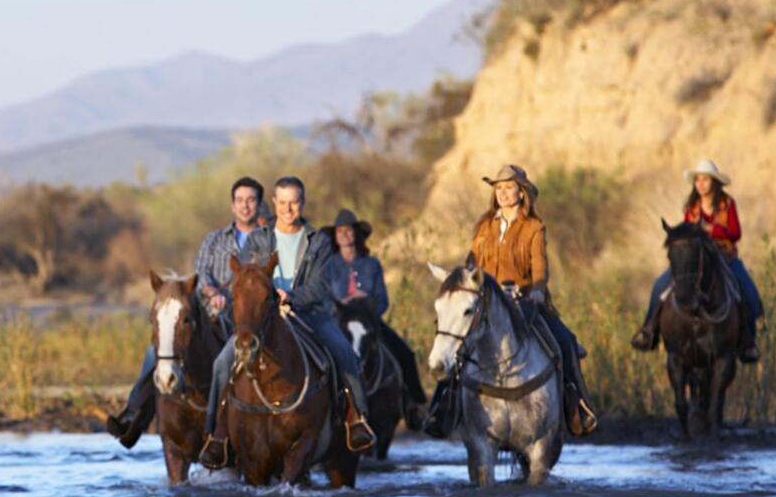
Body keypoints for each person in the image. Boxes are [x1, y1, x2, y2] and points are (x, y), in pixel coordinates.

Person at [198, 176, 376, 469]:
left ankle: (356, 419)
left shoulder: (318, 241)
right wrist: (266, 296)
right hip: (263, 317)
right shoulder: (258, 239)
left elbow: (321, 285)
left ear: (302, 203)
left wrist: (292, 296)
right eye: (283, 202)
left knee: (344, 351)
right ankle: (215, 434)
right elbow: (245, 276)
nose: (288, 208)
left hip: (308, 313)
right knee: (222, 363)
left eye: (294, 202)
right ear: (275, 204)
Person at [433, 164, 597, 437]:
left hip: (524, 301)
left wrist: (535, 289)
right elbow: (472, 264)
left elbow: (541, 268)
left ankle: (578, 406)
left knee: (564, 343)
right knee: (455, 342)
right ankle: (442, 409)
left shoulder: (534, 227)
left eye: (509, 187)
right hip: (486, 303)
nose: (503, 193)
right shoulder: (483, 226)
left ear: (522, 193)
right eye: (499, 188)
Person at [106, 177, 264, 448]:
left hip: (244, 318)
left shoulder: (267, 241)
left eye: (250, 200)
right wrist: (212, 292)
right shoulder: (214, 240)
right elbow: (200, 276)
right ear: (232, 205)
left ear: (259, 204)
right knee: (155, 353)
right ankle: (134, 415)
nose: (245, 206)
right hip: (207, 314)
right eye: (240, 200)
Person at [631, 159, 763, 362]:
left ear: (714, 182)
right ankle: (648, 330)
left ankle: (749, 341)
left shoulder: (727, 204)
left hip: (725, 257)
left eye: (705, 180)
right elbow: (687, 232)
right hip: (696, 262)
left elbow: (735, 232)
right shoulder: (691, 207)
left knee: (748, 291)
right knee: (660, 286)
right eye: (697, 180)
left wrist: (712, 230)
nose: (700, 184)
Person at [318, 208, 428, 430]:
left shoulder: (372, 264)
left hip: (369, 321)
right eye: (340, 232)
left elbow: (383, 299)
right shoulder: (328, 266)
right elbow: (324, 298)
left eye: (349, 231)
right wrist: (343, 305)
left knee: (404, 353)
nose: (345, 235)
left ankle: (414, 407)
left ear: (357, 235)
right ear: (335, 237)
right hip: (339, 323)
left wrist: (369, 308)